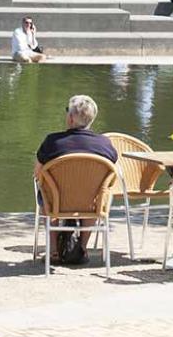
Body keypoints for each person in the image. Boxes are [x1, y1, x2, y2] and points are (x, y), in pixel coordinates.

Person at [33, 95, 119, 264]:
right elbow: (112, 173)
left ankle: (53, 251)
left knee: (45, 192)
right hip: (90, 204)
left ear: (71, 118)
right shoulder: (105, 144)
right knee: (96, 196)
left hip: (58, 203)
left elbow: (37, 173)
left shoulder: (53, 142)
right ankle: (83, 248)